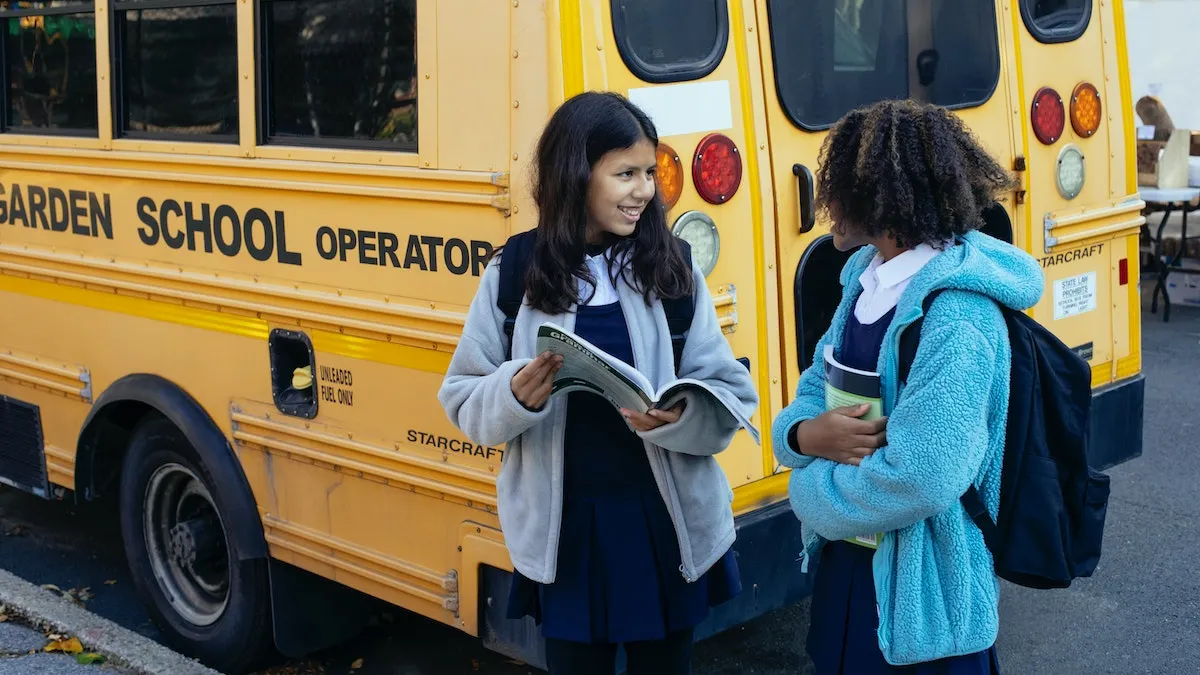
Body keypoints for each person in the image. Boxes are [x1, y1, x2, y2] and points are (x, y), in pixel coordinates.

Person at [438, 91, 758, 675]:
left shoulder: (672, 267)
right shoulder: (514, 274)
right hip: (567, 535)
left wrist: (682, 415)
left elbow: (732, 392)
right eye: (625, 173)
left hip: (667, 525)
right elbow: (462, 398)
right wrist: (513, 396)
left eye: (647, 173)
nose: (644, 190)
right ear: (575, 175)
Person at [771, 99, 1044, 674]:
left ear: (884, 197)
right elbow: (813, 391)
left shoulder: (958, 316)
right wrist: (801, 432)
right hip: (851, 575)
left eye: (839, 188)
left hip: (926, 601)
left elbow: (923, 476)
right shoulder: (862, 283)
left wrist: (808, 493)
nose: (826, 206)